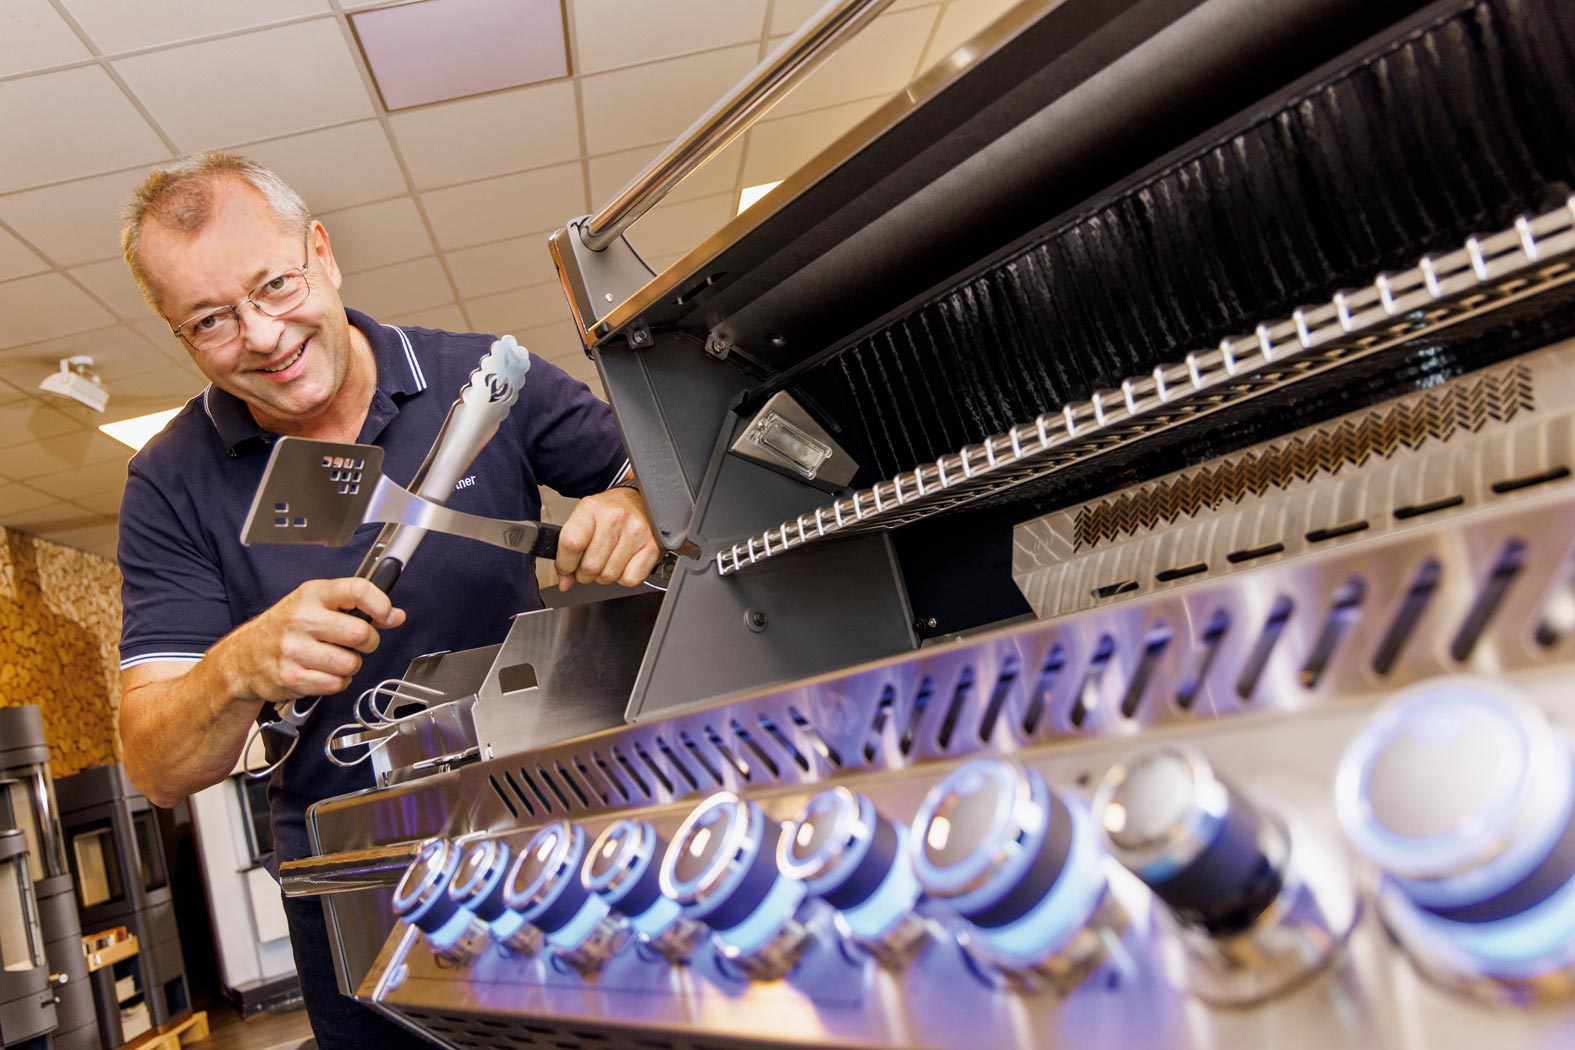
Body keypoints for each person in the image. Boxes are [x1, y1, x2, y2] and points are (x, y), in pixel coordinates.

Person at [113, 151, 658, 1048]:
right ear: (181, 336)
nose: (261, 336)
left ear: (320, 253)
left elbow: (665, 479)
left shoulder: (482, 377)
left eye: (275, 286)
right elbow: (157, 765)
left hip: (555, 829)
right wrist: (236, 667)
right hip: (362, 882)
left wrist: (630, 503)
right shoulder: (169, 483)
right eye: (212, 320)